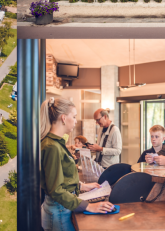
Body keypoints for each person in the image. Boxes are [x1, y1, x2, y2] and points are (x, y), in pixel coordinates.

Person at [40, 97, 115, 231]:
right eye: (74, 117)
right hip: (59, 210)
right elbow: (56, 190)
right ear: (63, 118)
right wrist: (88, 206)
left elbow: (60, 179)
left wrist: (81, 186)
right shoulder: (52, 146)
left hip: (62, 208)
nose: (75, 121)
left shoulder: (55, 143)